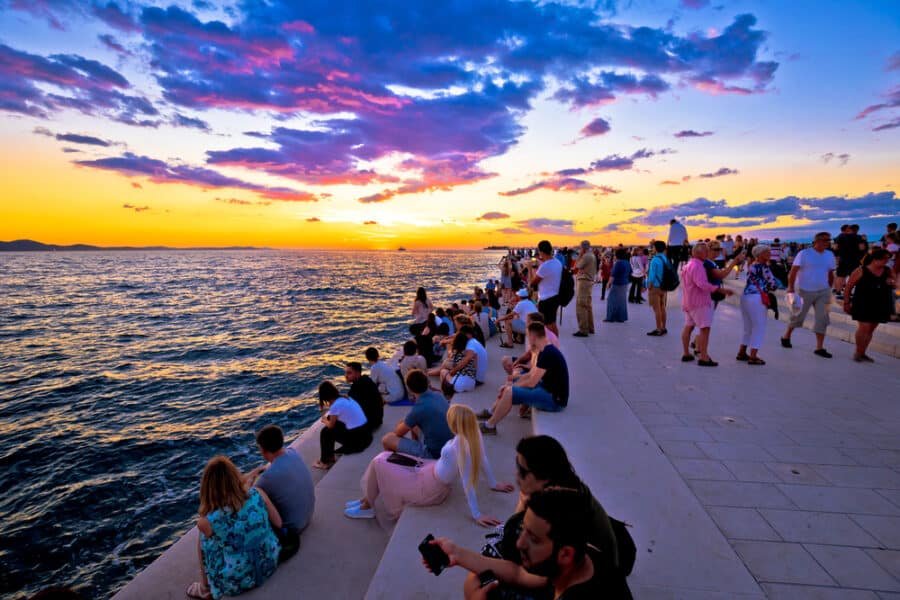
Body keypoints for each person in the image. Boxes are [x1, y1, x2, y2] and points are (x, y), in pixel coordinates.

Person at [425, 487, 631, 599]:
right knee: (476, 581)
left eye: (532, 538)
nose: (519, 543)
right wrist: (458, 554)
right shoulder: (576, 557)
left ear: (565, 554)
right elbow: (518, 573)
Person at [344, 405, 513, 523]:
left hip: (429, 486)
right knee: (386, 457)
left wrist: (477, 514)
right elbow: (483, 458)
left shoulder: (459, 445)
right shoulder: (474, 433)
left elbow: (467, 480)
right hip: (427, 469)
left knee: (379, 461)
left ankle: (367, 506)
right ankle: (366, 500)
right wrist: (493, 484)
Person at [187, 456, 281, 600]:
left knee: (204, 539)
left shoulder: (207, 521)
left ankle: (205, 588)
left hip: (236, 582)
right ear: (236, 477)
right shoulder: (258, 493)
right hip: (269, 562)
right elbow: (278, 523)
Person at [479, 322, 568, 436]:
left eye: (527, 335)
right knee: (510, 388)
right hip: (549, 389)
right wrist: (514, 380)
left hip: (555, 400)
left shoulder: (547, 353)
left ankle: (489, 426)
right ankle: (491, 414)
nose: (527, 338)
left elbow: (532, 382)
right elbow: (531, 374)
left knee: (509, 392)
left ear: (533, 336)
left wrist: (511, 387)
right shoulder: (545, 349)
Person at [243, 425, 314, 561]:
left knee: (256, 504)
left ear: (263, 450)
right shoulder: (293, 452)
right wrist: (256, 471)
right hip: (308, 515)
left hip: (293, 527)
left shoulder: (267, 478)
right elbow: (270, 467)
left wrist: (250, 480)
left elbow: (248, 497)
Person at [781, 232, 836, 358]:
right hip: (804, 290)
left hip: (824, 291)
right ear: (816, 241)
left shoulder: (829, 255)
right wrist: (790, 288)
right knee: (798, 316)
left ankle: (819, 347)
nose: (827, 242)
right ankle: (786, 336)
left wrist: (830, 287)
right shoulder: (804, 254)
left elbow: (830, 272)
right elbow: (793, 271)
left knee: (823, 319)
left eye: (829, 240)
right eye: (825, 240)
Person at [381, 369, 454, 458]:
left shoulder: (418, 409)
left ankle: (412, 464)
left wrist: (399, 425)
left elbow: (398, 433)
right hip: (449, 446)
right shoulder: (438, 395)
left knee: (387, 439)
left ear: (410, 389)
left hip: (435, 454)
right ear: (427, 382)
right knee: (412, 424)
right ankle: (416, 457)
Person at [680, 243, 732, 367]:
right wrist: (720, 290)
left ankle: (686, 353)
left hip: (688, 301)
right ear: (699, 253)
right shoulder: (698, 266)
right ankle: (704, 357)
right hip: (700, 302)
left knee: (688, 327)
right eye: (706, 251)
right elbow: (702, 284)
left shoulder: (688, 265)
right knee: (705, 329)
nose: (708, 253)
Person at [844, 249, 895, 362]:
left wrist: (891, 282)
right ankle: (858, 352)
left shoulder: (887, 270)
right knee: (864, 328)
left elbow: (895, 283)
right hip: (863, 302)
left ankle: (863, 352)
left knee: (871, 329)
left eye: (888, 258)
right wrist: (846, 302)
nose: (887, 261)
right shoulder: (861, 270)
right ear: (875, 259)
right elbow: (848, 287)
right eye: (885, 258)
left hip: (881, 303)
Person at [736, 245, 780, 365]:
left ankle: (742, 351)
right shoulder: (764, 267)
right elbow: (773, 285)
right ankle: (753, 356)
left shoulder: (752, 265)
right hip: (757, 298)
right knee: (759, 327)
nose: (769, 253)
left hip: (746, 296)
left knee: (748, 327)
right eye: (767, 252)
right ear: (760, 254)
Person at [314, 381, 372, 470]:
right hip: (366, 435)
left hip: (358, 442)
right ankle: (330, 457)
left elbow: (331, 426)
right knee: (332, 424)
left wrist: (325, 420)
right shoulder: (345, 398)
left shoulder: (335, 405)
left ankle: (325, 462)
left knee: (325, 432)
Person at [531, 240, 562, 336]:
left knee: (546, 326)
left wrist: (530, 268)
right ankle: (555, 344)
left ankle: (549, 346)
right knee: (552, 323)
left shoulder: (544, 267)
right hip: (555, 296)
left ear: (541, 251)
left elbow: (533, 282)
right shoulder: (557, 262)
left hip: (546, 299)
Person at [345, 362, 383, 431]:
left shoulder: (357, 388)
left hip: (370, 424)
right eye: (346, 373)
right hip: (378, 420)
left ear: (357, 373)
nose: (346, 376)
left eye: (349, 373)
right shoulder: (366, 380)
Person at [646, 240, 671, 336]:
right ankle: (664, 327)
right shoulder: (666, 259)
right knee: (662, 307)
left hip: (655, 287)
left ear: (655, 248)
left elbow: (651, 275)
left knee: (656, 309)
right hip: (664, 286)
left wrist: (648, 285)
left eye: (653, 247)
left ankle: (658, 329)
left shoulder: (655, 260)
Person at [441, 330, 478, 395]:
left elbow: (454, 369)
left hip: (459, 385)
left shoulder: (457, 353)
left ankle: (444, 391)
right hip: (472, 384)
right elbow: (475, 366)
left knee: (443, 371)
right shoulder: (470, 353)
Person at [573, 240, 598, 337]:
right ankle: (590, 328)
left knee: (581, 305)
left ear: (583, 247)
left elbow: (577, 266)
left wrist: (579, 255)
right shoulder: (592, 255)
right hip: (589, 281)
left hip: (584, 281)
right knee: (587, 306)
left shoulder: (586, 256)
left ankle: (583, 329)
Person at [834, 225, 862, 298]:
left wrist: (837, 257)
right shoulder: (858, 237)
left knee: (840, 276)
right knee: (853, 277)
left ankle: (838, 292)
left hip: (843, 259)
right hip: (855, 260)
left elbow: (835, 248)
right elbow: (862, 248)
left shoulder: (840, 236)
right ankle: (849, 292)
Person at [604, 248, 631, 323]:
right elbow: (630, 272)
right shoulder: (627, 262)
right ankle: (621, 317)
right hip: (625, 283)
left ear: (617, 255)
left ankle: (610, 317)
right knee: (622, 301)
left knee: (611, 300)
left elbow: (613, 275)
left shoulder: (618, 263)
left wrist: (608, 284)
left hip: (617, 283)